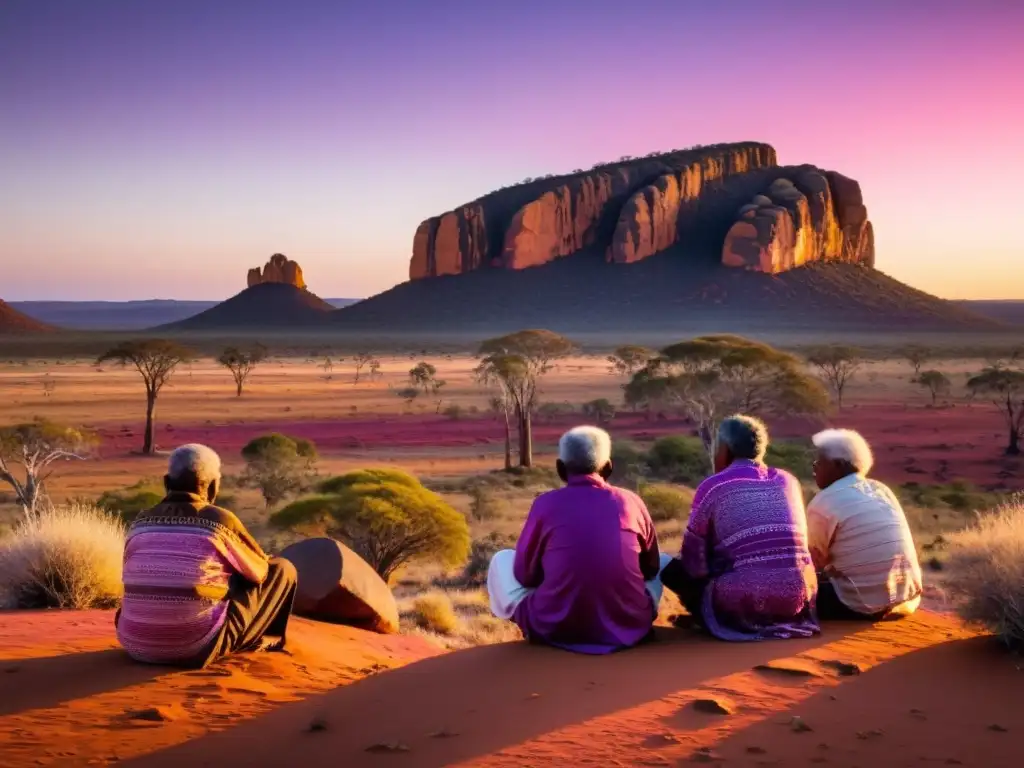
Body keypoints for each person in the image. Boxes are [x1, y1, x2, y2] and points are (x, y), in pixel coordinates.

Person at [487, 425, 669, 654]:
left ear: (560, 468)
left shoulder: (545, 504)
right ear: (609, 467)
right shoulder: (631, 501)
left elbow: (525, 576)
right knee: (664, 561)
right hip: (630, 623)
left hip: (554, 625)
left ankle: (528, 628)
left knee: (501, 559)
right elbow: (651, 569)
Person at [116, 444, 298, 667]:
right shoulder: (219, 520)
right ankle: (267, 638)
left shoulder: (140, 521)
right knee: (282, 570)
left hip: (135, 644)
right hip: (194, 648)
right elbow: (260, 573)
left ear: (166, 483)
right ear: (213, 486)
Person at [660, 415, 819, 641]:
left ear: (725, 449)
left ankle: (711, 618)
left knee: (667, 566)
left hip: (745, 603)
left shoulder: (714, 486)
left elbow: (694, 564)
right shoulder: (788, 481)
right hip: (797, 600)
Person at [807, 428, 923, 620]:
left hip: (856, 604)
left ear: (838, 465)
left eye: (819, 463)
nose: (815, 469)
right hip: (905, 599)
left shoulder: (825, 501)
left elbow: (813, 560)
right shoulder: (881, 489)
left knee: (787, 587)